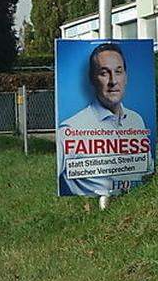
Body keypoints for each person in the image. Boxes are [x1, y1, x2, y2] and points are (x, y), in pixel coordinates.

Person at [59, 43, 152, 197]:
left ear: (126, 77)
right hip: (92, 211)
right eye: (104, 73)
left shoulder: (136, 120)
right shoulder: (70, 129)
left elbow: (147, 170)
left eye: (118, 72)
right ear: (92, 79)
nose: (113, 81)